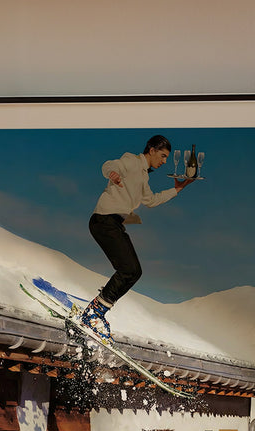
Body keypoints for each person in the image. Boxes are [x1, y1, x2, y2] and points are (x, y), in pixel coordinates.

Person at [79, 135, 198, 341]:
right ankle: (93, 314)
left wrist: (178, 189)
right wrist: (113, 173)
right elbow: (108, 165)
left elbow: (150, 200)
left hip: (113, 223)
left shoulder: (143, 176)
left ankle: (97, 312)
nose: (163, 161)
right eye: (162, 156)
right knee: (129, 270)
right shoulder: (132, 161)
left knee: (134, 271)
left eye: (166, 158)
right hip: (104, 221)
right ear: (151, 150)